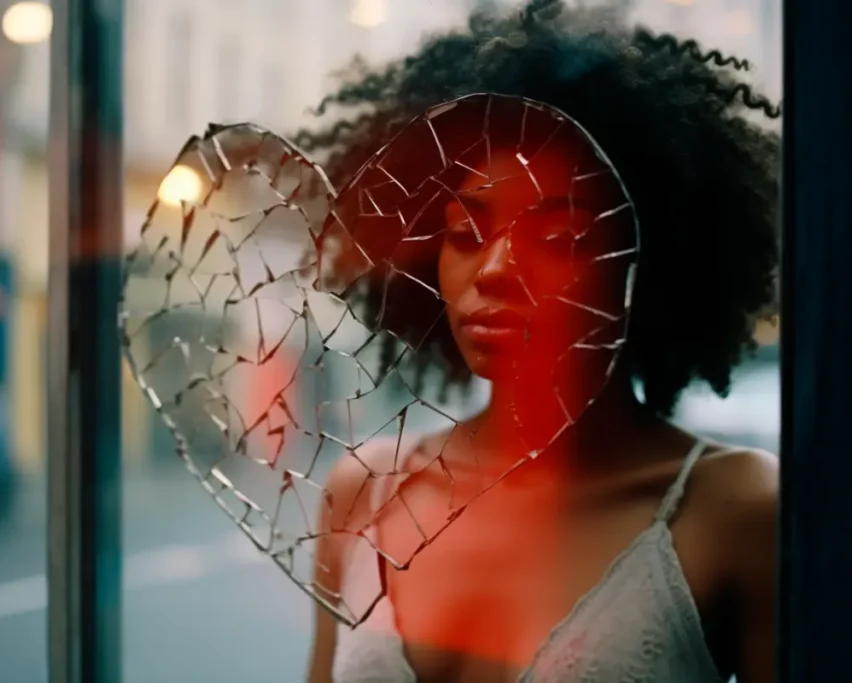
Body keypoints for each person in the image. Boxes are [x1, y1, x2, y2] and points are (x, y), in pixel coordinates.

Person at [298, 1, 780, 682]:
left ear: (654, 261)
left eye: (560, 238)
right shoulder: (361, 495)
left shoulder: (732, 511)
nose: (494, 270)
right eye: (465, 233)